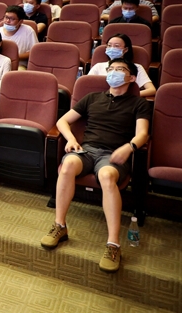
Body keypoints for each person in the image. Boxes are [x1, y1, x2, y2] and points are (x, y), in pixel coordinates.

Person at [41, 58, 150, 273]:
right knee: (68, 165)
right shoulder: (92, 98)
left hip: (114, 155)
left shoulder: (139, 103)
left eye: (120, 69)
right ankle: (60, 226)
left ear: (131, 77)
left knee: (107, 176)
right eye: (111, 69)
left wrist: (129, 147)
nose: (113, 72)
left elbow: (143, 134)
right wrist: (71, 139)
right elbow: (62, 121)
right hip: (87, 150)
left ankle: (113, 244)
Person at [88, 33, 155, 98]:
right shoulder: (98, 66)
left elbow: (152, 90)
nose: (112, 48)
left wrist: (127, 97)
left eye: (116, 46)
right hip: (99, 101)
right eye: (109, 45)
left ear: (125, 49)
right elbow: (86, 86)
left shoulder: (136, 67)